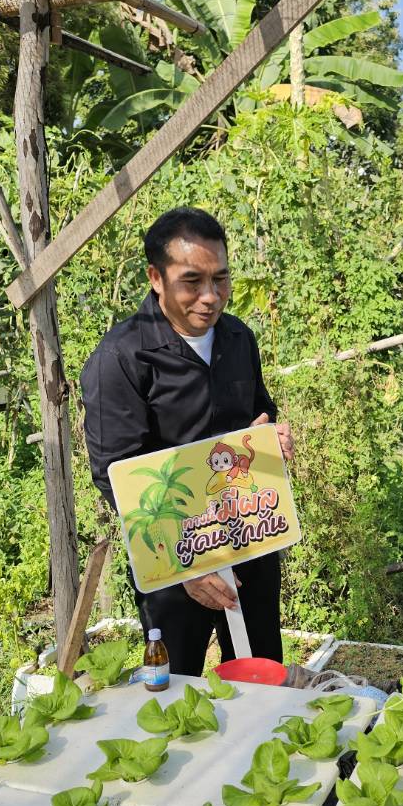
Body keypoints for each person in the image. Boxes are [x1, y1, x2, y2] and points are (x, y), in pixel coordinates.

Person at [80, 207, 293, 678]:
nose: (210, 296)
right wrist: (188, 566)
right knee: (176, 689)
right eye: (192, 281)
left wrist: (270, 439)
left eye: (220, 279)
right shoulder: (121, 358)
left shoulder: (238, 338)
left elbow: (260, 413)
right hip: (172, 565)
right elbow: (116, 474)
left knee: (261, 679)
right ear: (156, 278)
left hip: (248, 541)